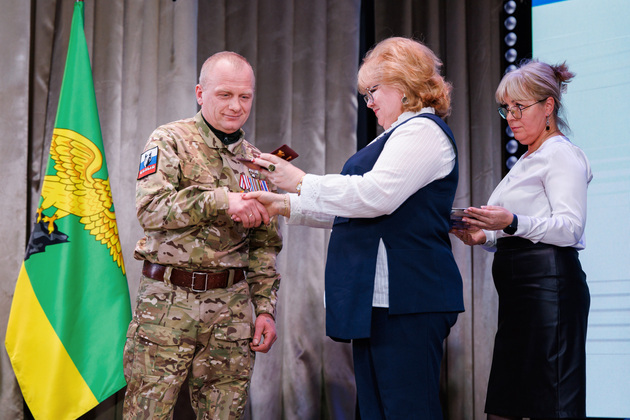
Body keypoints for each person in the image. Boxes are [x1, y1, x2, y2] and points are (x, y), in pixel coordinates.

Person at [241, 37, 464, 419]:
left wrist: (299, 180)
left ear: (404, 84)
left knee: (407, 410)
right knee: (378, 410)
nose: (369, 102)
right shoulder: (396, 135)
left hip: (408, 299)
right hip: (380, 300)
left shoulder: (423, 132)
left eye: (373, 90)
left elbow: (375, 197)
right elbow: (355, 209)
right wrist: (282, 204)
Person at [122, 51, 283, 419]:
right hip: (167, 303)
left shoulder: (257, 163)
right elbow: (151, 208)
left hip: (231, 310)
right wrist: (223, 200)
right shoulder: (170, 139)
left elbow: (265, 246)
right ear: (200, 93)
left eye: (244, 96)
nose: (236, 106)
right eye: (225, 94)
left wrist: (265, 310)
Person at [451, 60, 592, 419]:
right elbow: (520, 226)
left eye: (519, 107)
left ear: (548, 106)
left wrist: (511, 222)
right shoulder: (528, 160)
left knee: (552, 404)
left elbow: (569, 227)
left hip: (550, 292)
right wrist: (484, 235)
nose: (511, 117)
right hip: (519, 297)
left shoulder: (561, 154)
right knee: (505, 405)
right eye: (506, 108)